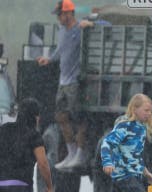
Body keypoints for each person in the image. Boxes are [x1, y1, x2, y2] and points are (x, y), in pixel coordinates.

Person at [36, 0, 95, 170]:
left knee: (78, 118)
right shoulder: (62, 31)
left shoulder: (80, 29)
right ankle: (71, 152)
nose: (59, 18)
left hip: (75, 82)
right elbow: (60, 51)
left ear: (68, 14)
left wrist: (91, 23)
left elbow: (106, 24)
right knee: (61, 117)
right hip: (63, 82)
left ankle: (80, 153)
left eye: (60, 14)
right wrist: (49, 59)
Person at [100, 94, 152, 192]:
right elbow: (107, 143)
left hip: (136, 173)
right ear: (135, 109)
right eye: (146, 110)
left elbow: (134, 154)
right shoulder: (125, 126)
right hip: (124, 173)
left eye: (150, 111)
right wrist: (107, 162)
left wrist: (146, 172)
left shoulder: (142, 128)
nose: (149, 114)